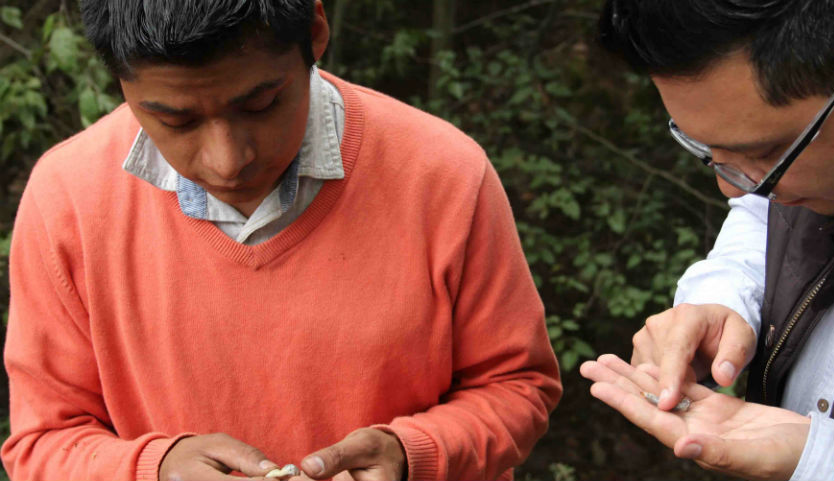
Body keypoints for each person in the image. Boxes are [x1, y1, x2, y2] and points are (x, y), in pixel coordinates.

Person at [1, 1, 562, 480]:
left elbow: (517, 387)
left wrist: (411, 455)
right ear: (119, 80)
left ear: (315, 29)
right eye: (176, 122)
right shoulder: (68, 201)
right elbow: (43, 441)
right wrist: (156, 466)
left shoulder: (443, 176)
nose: (227, 160)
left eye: (261, 105)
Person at [580, 0, 834, 480]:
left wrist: (824, 465)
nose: (733, 187)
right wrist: (726, 296)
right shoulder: (818, 158)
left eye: (762, 152)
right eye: (704, 147)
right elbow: (759, 212)